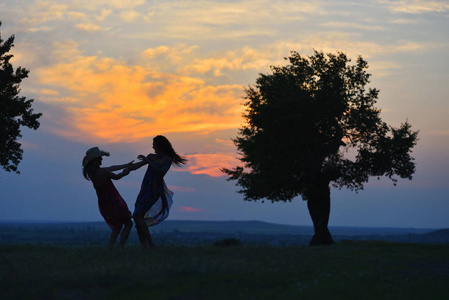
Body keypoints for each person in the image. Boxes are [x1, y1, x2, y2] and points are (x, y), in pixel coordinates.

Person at [130, 135, 187, 249]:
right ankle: (144, 245)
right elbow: (138, 165)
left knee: (137, 215)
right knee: (138, 217)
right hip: (145, 188)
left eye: (154, 144)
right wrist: (128, 168)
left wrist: (148, 161)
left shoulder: (167, 159)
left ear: (160, 145)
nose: (152, 146)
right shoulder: (151, 156)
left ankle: (150, 244)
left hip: (154, 189)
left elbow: (160, 172)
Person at [82, 147, 134, 249]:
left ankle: (110, 248)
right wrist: (126, 171)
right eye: (100, 158)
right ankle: (120, 247)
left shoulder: (91, 173)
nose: (101, 160)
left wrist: (126, 165)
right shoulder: (102, 172)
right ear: (95, 160)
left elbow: (111, 167)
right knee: (128, 223)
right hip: (114, 201)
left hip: (104, 203)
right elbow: (116, 176)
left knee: (117, 227)